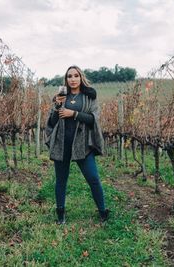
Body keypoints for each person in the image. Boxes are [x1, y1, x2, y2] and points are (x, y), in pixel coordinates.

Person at [45, 65, 109, 224]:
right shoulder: (60, 97)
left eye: (75, 76)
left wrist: (73, 113)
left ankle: (102, 211)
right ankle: (60, 214)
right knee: (61, 180)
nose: (72, 79)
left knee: (93, 178)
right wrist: (57, 108)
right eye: (69, 76)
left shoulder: (89, 97)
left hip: (82, 144)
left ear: (81, 78)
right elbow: (52, 122)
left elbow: (93, 118)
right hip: (62, 143)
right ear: (66, 80)